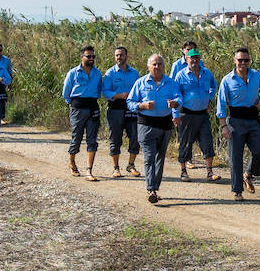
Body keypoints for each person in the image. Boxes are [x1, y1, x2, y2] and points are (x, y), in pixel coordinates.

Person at [216, 47, 260, 202]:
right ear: (234, 61)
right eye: (240, 60)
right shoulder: (227, 80)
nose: (243, 63)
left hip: (253, 119)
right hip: (235, 121)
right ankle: (237, 191)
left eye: (246, 60)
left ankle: (249, 174)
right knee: (236, 157)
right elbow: (221, 103)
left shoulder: (256, 75)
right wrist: (224, 126)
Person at [127, 54, 182, 204]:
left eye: (160, 64)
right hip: (146, 124)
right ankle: (150, 189)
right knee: (149, 157)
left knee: (160, 157)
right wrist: (142, 106)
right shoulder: (140, 83)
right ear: (148, 66)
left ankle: (155, 188)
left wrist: (175, 103)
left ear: (164, 66)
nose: (157, 67)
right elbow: (130, 102)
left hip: (164, 125)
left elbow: (179, 97)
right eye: (154, 64)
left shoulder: (171, 83)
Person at [173, 47, 219, 181]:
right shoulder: (180, 75)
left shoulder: (206, 73)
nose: (194, 60)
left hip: (203, 114)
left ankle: (210, 172)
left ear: (200, 59)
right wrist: (175, 114)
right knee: (185, 143)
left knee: (207, 141)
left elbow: (213, 85)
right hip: (186, 114)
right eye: (192, 58)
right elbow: (175, 95)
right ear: (186, 59)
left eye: (197, 58)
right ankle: (183, 171)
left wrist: (209, 99)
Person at [62, 45, 103, 180]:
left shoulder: (97, 73)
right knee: (77, 137)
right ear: (82, 57)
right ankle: (72, 161)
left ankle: (89, 170)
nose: (91, 59)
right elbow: (66, 93)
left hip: (92, 107)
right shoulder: (73, 73)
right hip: (78, 108)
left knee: (92, 139)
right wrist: (72, 105)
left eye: (93, 56)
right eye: (88, 56)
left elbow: (99, 90)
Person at [100, 46, 140, 177]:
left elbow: (139, 89)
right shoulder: (110, 73)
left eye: (121, 55)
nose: (119, 57)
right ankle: (116, 168)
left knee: (135, 137)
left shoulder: (134, 73)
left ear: (126, 56)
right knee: (115, 137)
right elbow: (105, 92)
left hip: (131, 108)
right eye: (117, 55)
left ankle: (131, 165)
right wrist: (119, 95)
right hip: (115, 107)